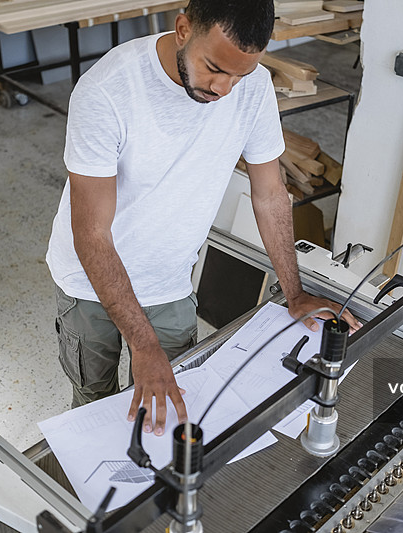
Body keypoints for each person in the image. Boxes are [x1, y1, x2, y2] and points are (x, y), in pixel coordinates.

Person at [46, 0, 360, 438]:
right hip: (88, 283)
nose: (225, 89)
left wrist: (295, 293)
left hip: (169, 281)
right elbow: (92, 234)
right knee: (95, 409)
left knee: (175, 406)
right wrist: (143, 345)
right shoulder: (108, 90)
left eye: (239, 74)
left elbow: (270, 194)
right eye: (214, 67)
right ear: (182, 29)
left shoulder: (253, 88)